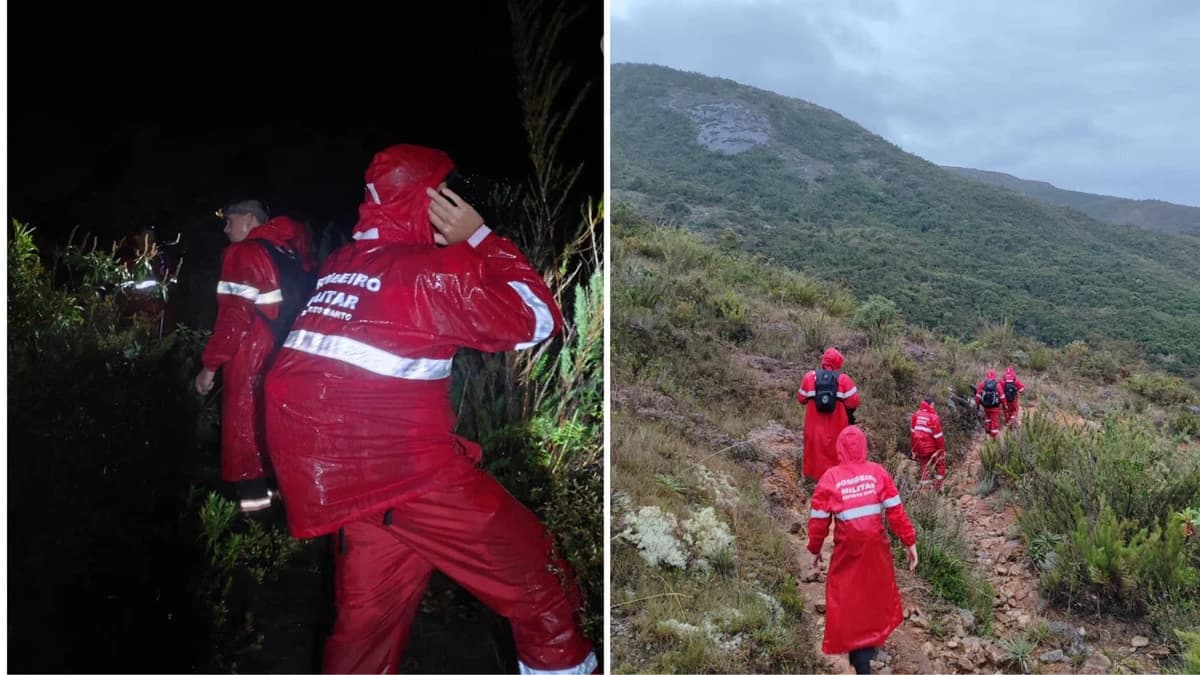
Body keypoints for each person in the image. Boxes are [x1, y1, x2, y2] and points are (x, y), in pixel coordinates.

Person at [262, 144, 596, 675]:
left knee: (366, 626)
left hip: (349, 485)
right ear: (428, 199)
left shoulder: (343, 262)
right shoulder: (427, 272)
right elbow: (537, 320)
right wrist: (480, 237)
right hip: (408, 474)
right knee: (541, 584)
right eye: (446, 192)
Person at [193, 200, 316, 513]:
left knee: (245, 444)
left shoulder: (243, 253)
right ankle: (281, 520)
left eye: (229, 220)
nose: (225, 228)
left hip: (251, 358)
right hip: (284, 356)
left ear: (248, 219)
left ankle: (252, 530)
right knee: (273, 438)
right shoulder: (288, 252)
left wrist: (209, 367)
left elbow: (234, 319)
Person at [808, 425, 918, 674]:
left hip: (847, 552)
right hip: (876, 550)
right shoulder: (877, 473)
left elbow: (818, 521)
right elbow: (896, 513)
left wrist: (815, 550)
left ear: (839, 450)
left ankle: (860, 656)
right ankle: (868, 646)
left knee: (846, 598)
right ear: (864, 447)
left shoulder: (830, 478)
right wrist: (909, 542)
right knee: (875, 595)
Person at [796, 347, 861, 480]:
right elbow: (853, 403)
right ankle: (835, 483)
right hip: (837, 428)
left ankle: (813, 483)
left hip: (814, 428)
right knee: (836, 456)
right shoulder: (844, 380)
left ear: (823, 361)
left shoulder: (809, 378)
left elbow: (801, 399)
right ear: (839, 363)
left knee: (814, 455)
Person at [909, 396, 947, 490]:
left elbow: (913, 433)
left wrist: (913, 449)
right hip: (931, 447)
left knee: (924, 466)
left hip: (919, 446)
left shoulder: (916, 415)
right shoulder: (934, 417)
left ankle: (925, 490)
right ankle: (938, 487)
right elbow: (938, 437)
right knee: (940, 463)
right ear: (931, 404)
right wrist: (941, 451)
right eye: (933, 405)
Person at [975, 368, 1006, 440]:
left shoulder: (982, 384)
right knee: (995, 421)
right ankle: (994, 437)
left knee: (987, 419)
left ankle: (987, 434)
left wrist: (977, 404)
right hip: (995, 407)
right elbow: (1002, 396)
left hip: (985, 406)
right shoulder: (997, 385)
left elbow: (978, 396)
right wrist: (1004, 405)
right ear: (994, 376)